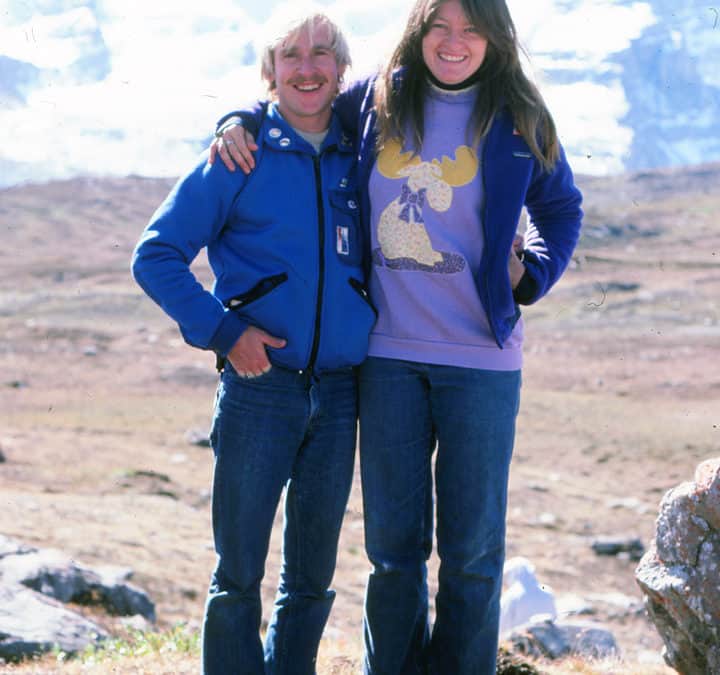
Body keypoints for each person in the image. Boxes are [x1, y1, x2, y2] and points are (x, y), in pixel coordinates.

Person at [210, 1, 583, 672]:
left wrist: (533, 275)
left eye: (472, 28)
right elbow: (301, 101)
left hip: (482, 361)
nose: (454, 41)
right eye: (440, 24)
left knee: (471, 555)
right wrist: (235, 120)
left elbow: (560, 207)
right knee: (392, 551)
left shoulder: (521, 117)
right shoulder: (378, 98)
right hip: (385, 360)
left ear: (495, 38)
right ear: (418, 29)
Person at [131, 12, 376, 675]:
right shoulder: (237, 155)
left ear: (341, 70)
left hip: (341, 392)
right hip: (260, 390)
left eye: (322, 53)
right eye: (290, 55)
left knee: (312, 575)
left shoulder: (362, 153)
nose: (307, 66)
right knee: (238, 571)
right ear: (270, 72)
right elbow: (156, 256)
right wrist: (226, 332)